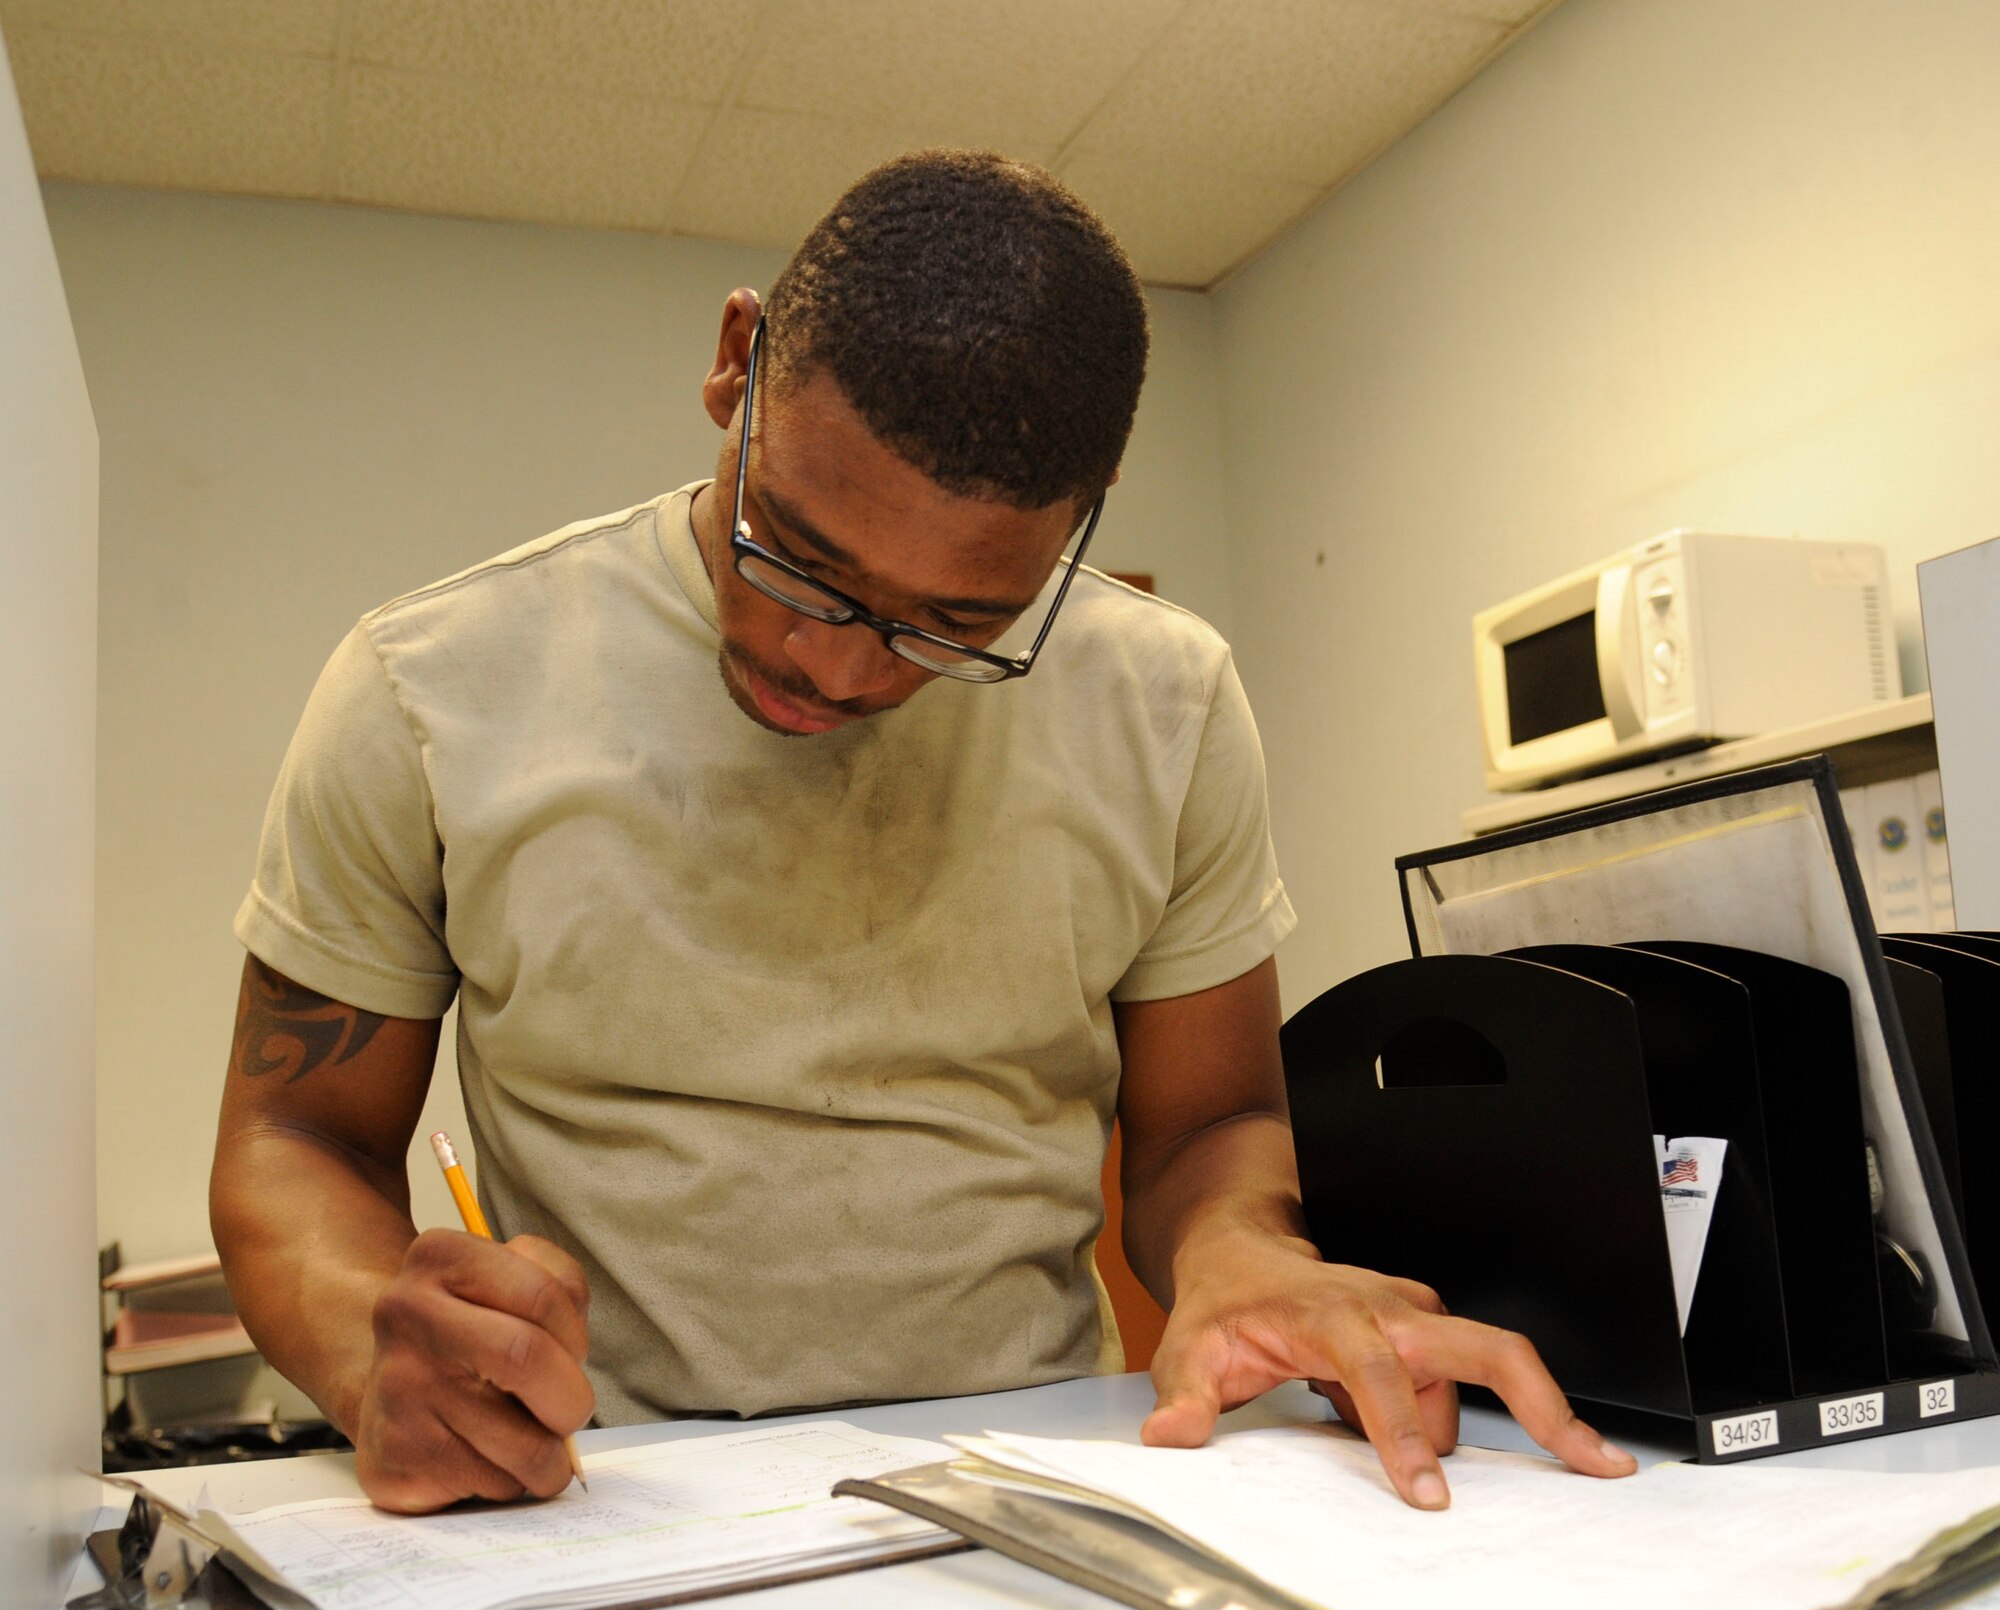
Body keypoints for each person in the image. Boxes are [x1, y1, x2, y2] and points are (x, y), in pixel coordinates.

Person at [210, 150, 1635, 1516]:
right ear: (735, 364)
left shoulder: (1167, 699)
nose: (835, 669)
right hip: (608, 1498)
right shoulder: (431, 687)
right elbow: (295, 1134)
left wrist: (1240, 1253)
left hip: (1043, 1478)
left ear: (1083, 521)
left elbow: (1213, 1124)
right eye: (799, 561)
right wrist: (362, 1343)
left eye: (955, 626)